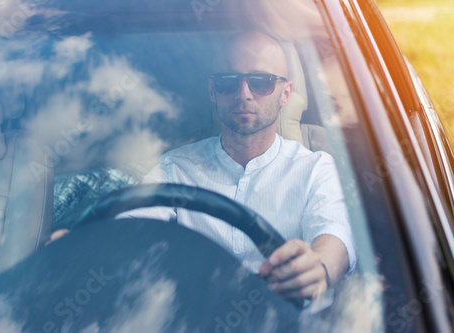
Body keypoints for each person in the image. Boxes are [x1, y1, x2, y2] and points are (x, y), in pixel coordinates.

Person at [120, 30, 356, 303]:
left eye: (262, 81)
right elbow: (128, 230)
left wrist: (318, 266)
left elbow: (335, 232)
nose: (243, 93)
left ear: (285, 93)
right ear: (212, 90)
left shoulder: (316, 168)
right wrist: (87, 248)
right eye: (227, 82)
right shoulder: (175, 168)